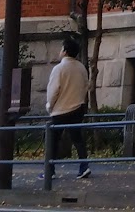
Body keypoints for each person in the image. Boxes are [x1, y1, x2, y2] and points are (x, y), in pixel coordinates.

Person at [45, 36, 92, 179]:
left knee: (53, 140)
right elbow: (86, 86)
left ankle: (50, 171)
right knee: (77, 139)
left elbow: (53, 90)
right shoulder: (81, 67)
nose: (60, 51)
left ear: (65, 51)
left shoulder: (59, 69)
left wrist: (49, 106)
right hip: (77, 108)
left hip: (60, 109)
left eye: (61, 49)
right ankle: (84, 166)